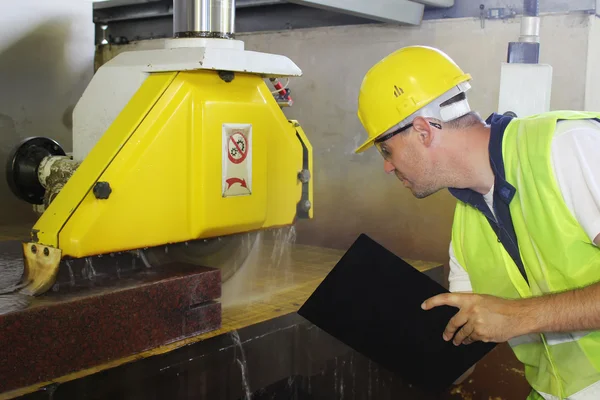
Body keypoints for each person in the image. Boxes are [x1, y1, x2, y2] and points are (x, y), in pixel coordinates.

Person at [354, 45, 600, 400]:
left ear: (423, 131)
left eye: (385, 150)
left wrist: (520, 316)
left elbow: (512, 317)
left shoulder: (567, 148)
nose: (387, 167)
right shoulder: (466, 224)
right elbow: (462, 353)